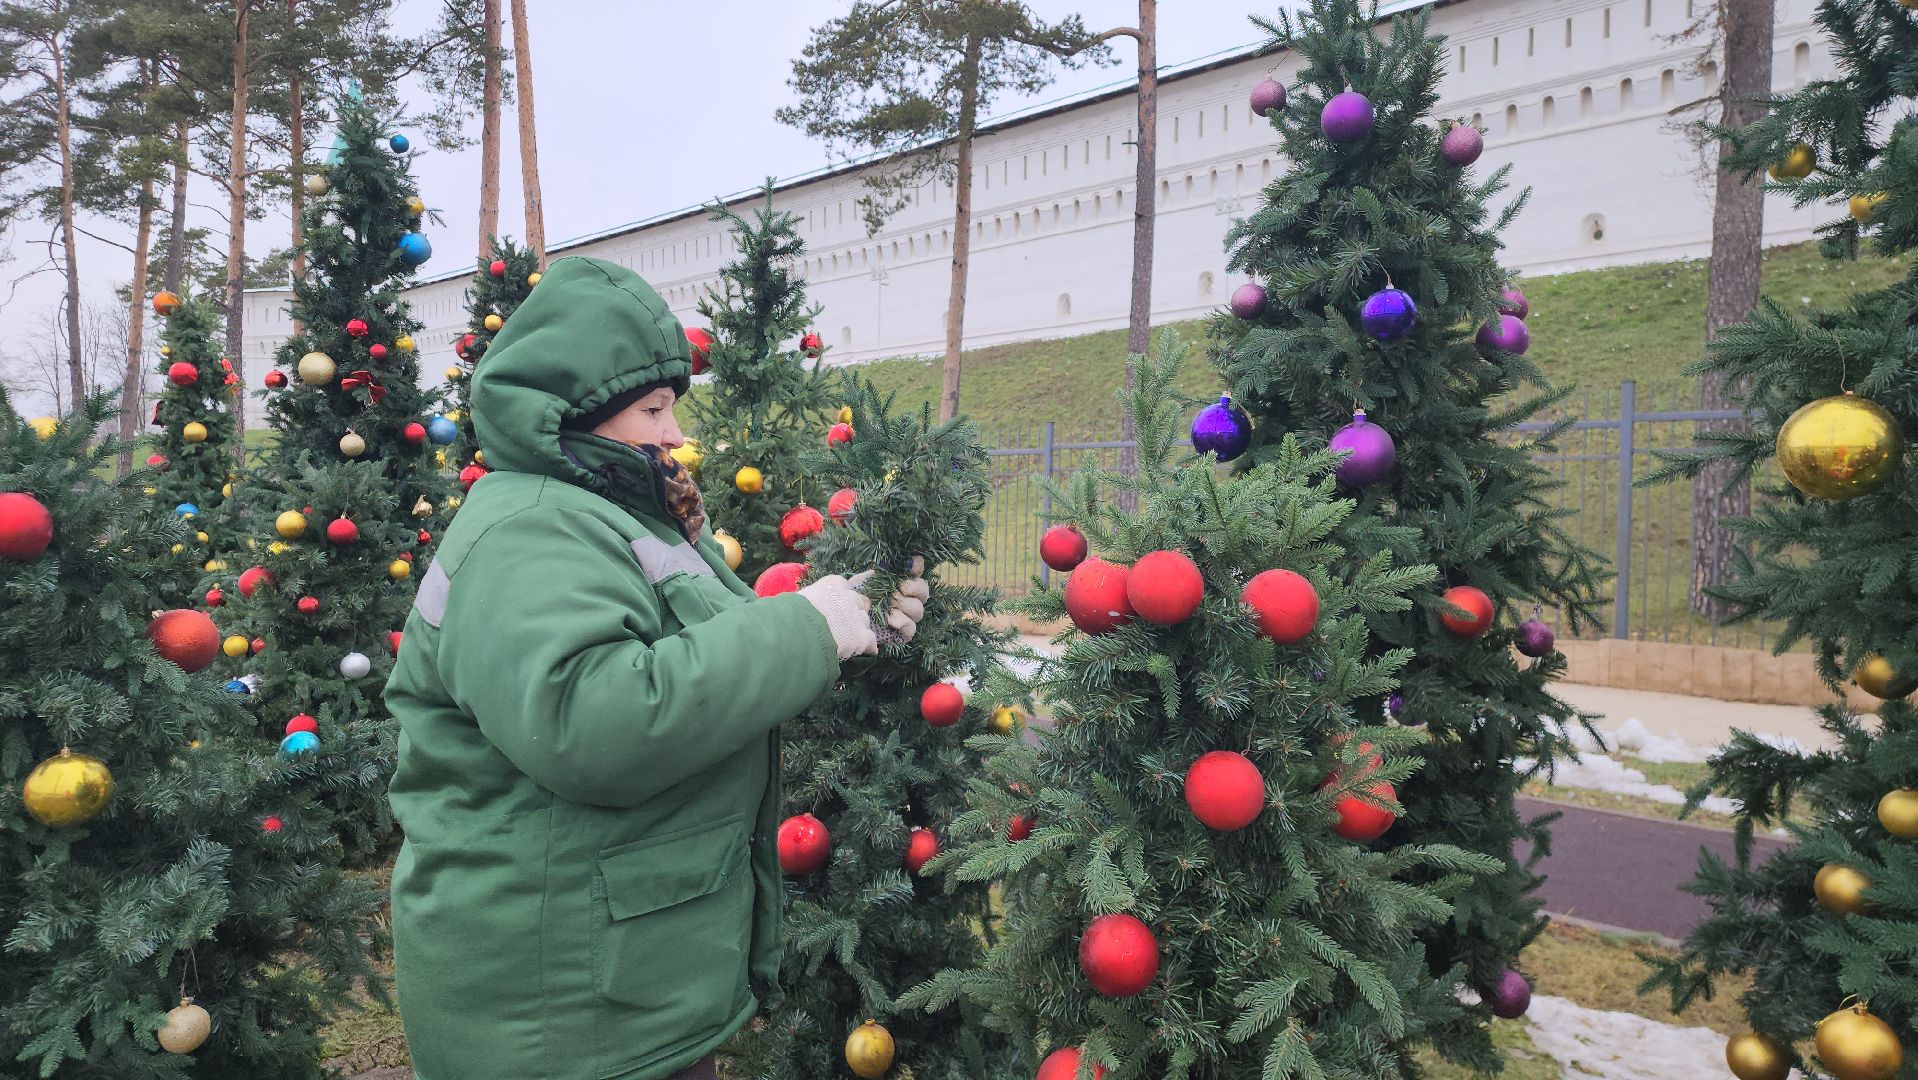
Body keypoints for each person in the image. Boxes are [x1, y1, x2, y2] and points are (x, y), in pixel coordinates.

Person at [384, 256, 927, 1080]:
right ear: (576, 412)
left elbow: (699, 652)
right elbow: (596, 725)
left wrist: (845, 624)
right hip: (558, 1012)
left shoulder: (609, 514)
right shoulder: (531, 531)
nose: (675, 433)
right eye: (652, 409)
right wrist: (808, 628)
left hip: (614, 986)